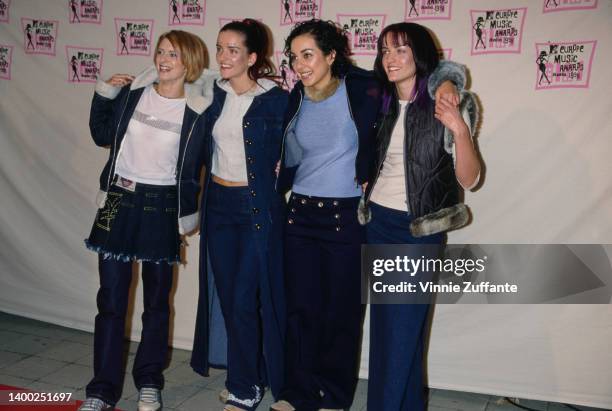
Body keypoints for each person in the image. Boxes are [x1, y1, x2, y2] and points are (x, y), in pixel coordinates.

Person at [271, 19, 464, 411]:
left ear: (331, 55)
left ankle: (334, 397)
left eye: (308, 55)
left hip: (346, 215)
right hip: (301, 214)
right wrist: (283, 167)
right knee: (300, 310)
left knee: (343, 314)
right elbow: (294, 146)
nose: (300, 64)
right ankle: (298, 393)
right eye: (294, 57)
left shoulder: (364, 87)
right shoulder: (296, 94)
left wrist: (447, 84)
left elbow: (424, 72)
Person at [79, 30, 212, 411]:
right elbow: (100, 133)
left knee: (156, 301)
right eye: (161, 51)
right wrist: (105, 92)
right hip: (119, 199)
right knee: (111, 301)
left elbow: (209, 158)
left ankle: (149, 381)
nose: (164, 59)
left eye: (174, 54)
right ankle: (101, 390)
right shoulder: (133, 95)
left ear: (190, 62)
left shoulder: (199, 110)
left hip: (163, 205)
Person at [362, 22, 481, 411]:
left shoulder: (449, 101)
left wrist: (460, 131)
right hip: (378, 222)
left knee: (398, 336)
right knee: (392, 334)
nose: (390, 59)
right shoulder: (379, 101)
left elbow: (471, 178)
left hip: (418, 232)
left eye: (400, 50)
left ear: (420, 54)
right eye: (384, 51)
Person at [188, 19, 288, 411]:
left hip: (255, 209)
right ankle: (247, 376)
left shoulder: (276, 99)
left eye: (234, 50)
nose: (224, 57)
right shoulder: (211, 94)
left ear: (253, 57)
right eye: (220, 48)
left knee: (246, 297)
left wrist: (285, 169)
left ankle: (244, 386)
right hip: (218, 207)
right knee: (230, 298)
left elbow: (298, 145)